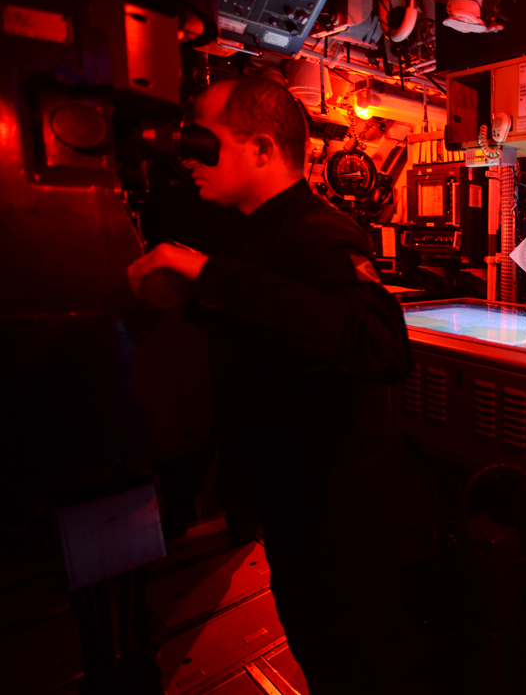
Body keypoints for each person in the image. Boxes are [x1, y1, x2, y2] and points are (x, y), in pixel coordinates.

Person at [125, 77, 416, 694]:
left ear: (260, 149)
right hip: (288, 498)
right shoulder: (246, 233)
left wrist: (211, 277)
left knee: (353, 657)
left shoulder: (319, 232)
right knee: (313, 642)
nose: (190, 161)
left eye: (206, 144)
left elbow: (378, 341)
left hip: (337, 511)